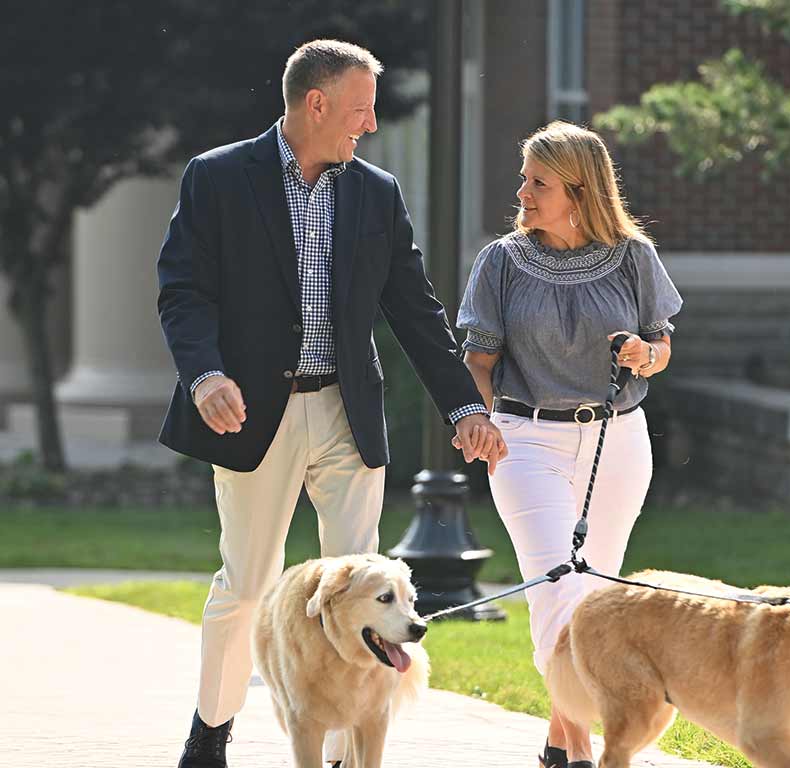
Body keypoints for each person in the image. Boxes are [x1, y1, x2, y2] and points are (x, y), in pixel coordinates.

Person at [157, 39, 506, 768]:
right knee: (249, 582)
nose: (370, 125)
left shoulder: (375, 192)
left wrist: (462, 408)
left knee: (364, 588)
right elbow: (183, 292)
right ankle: (210, 736)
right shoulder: (219, 178)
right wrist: (204, 374)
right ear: (316, 104)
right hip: (255, 414)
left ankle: (349, 751)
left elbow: (415, 309)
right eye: (361, 109)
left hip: (349, 413)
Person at [456, 121, 682, 768]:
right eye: (525, 178)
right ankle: (585, 751)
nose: (522, 191)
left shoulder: (634, 257)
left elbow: (661, 346)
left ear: (579, 191)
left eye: (537, 181)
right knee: (557, 587)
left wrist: (647, 354)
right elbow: (478, 359)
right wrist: (478, 415)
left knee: (594, 596)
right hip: (525, 441)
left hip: (617, 441)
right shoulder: (501, 261)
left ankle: (558, 741)